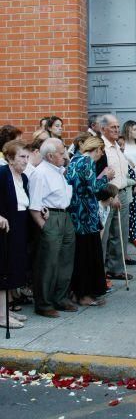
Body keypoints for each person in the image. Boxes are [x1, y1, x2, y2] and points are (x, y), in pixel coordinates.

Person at [29, 138, 76, 317]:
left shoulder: (57, 171)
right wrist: (45, 227)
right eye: (61, 152)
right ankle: (44, 303)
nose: (65, 155)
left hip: (64, 215)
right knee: (48, 263)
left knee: (65, 260)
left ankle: (61, 298)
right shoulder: (40, 173)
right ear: (50, 156)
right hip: (51, 218)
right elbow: (34, 206)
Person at [66, 137, 114, 306]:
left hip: (76, 214)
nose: (101, 155)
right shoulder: (87, 161)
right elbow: (93, 187)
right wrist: (106, 177)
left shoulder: (75, 159)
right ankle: (85, 295)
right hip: (85, 216)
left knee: (81, 255)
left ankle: (77, 292)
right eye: (101, 151)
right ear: (97, 149)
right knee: (88, 256)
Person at [98, 114, 135, 278]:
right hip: (108, 194)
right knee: (104, 235)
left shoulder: (117, 146)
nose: (117, 130)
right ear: (103, 128)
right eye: (113, 127)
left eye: (117, 127)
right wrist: (111, 195)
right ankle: (101, 273)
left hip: (122, 191)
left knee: (120, 232)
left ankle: (117, 269)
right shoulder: (101, 147)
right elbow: (101, 173)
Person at [0, 141, 31, 329]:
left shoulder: (24, 178)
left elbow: (23, 202)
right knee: (3, 270)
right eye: (21, 157)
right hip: (4, 229)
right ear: (10, 158)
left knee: (14, 268)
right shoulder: (2, 174)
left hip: (19, 226)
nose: (26, 161)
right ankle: (2, 316)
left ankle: (5, 309)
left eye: (27, 157)